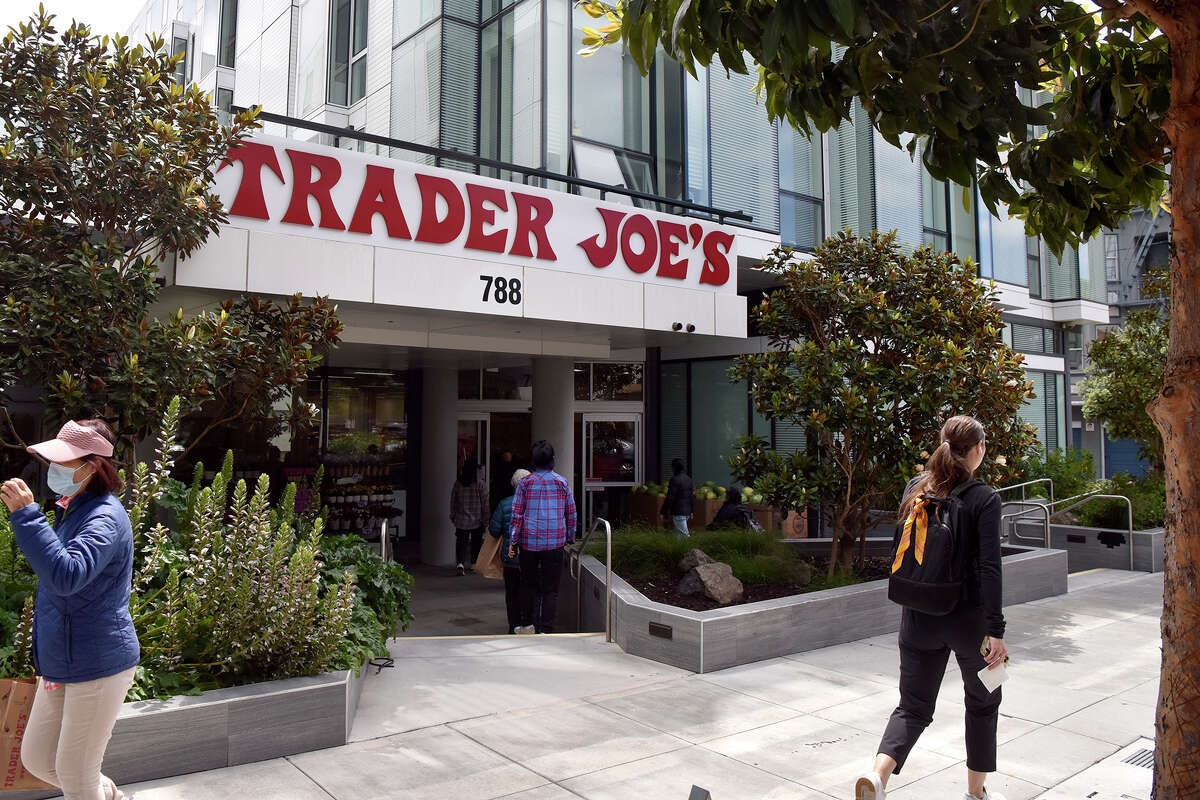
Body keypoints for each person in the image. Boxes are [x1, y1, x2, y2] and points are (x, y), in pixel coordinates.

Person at [855, 415, 1009, 800]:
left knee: (913, 706)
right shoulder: (984, 498)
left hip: (918, 614)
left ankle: (877, 776)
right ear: (978, 450)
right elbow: (990, 568)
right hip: (969, 621)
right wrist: (997, 630)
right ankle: (976, 793)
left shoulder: (916, 487)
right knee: (984, 701)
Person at [0, 419, 140, 800]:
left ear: (93, 466)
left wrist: (27, 515)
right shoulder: (73, 508)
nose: (54, 471)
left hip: (98, 661)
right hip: (62, 659)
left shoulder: (105, 517)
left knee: (76, 776)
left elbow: (66, 576)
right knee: (38, 759)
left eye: (64, 464)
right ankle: (109, 796)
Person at [507, 441, 576, 634]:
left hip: (529, 543)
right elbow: (571, 512)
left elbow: (517, 514)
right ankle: (546, 629)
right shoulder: (561, 482)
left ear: (533, 461)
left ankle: (528, 624)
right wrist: (570, 536)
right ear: (552, 460)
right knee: (550, 589)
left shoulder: (525, 483)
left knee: (528, 585)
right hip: (555, 543)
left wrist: (514, 541)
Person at [488, 468, 533, 635]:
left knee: (512, 594)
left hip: (511, 557)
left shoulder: (504, 503)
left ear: (513, 485)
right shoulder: (535, 505)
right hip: (531, 556)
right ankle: (528, 623)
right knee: (530, 591)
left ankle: (513, 626)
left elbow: (494, 530)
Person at [450, 456, 489, 576]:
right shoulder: (480, 484)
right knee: (476, 542)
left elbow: (453, 501)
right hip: (477, 519)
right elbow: (485, 503)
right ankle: (474, 563)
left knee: (462, 542)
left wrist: (453, 515)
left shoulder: (458, 483)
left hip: (461, 519)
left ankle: (460, 563)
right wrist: (486, 519)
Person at [660, 458, 694, 536]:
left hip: (679, 511)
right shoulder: (689, 479)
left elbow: (670, 497)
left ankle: (692, 547)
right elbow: (691, 496)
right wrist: (692, 510)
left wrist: (663, 511)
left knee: (684, 535)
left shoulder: (674, 480)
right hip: (687, 511)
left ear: (674, 467)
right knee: (678, 535)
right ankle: (679, 548)